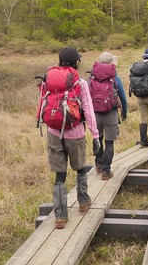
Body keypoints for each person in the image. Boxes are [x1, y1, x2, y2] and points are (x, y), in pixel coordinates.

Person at [47, 47, 100, 229]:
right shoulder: (80, 83)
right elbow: (89, 110)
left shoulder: (50, 79)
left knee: (59, 174)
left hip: (54, 133)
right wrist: (95, 134)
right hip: (75, 133)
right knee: (80, 168)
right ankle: (83, 202)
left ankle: (60, 216)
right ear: (76, 62)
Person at [92, 52, 128, 180]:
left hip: (95, 114)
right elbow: (123, 98)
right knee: (109, 143)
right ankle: (106, 172)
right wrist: (124, 112)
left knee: (98, 139)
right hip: (111, 114)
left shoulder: (91, 78)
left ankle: (98, 165)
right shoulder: (115, 78)